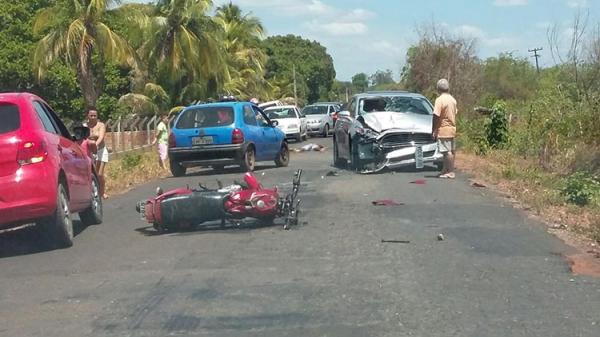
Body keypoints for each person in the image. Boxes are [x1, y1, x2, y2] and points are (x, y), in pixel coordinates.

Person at [432, 78, 458, 179]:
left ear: (438, 88)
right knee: (449, 151)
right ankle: (445, 170)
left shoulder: (439, 100)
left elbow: (436, 115)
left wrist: (434, 129)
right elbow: (455, 113)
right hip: (452, 128)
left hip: (443, 129)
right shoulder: (453, 99)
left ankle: (451, 171)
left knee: (447, 152)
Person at [87, 108, 109, 198]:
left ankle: (102, 192)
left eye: (95, 115)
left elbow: (101, 137)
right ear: (87, 116)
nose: (93, 117)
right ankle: (93, 192)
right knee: (92, 174)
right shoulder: (85, 126)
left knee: (99, 174)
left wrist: (95, 145)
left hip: (100, 150)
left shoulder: (101, 125)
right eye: (91, 115)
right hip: (89, 151)